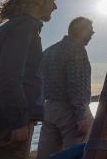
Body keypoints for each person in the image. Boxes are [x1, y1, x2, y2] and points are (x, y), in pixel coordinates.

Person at [0, 0, 57, 159]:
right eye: (52, 0)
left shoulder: (5, 30)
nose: (55, 7)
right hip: (3, 127)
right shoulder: (24, 26)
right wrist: (18, 122)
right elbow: (7, 77)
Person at [36, 17, 95, 159]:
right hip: (70, 110)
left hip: (48, 110)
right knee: (80, 153)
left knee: (46, 155)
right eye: (90, 31)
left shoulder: (49, 51)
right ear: (82, 31)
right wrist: (81, 115)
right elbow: (77, 84)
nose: (92, 35)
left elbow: (38, 82)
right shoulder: (76, 49)